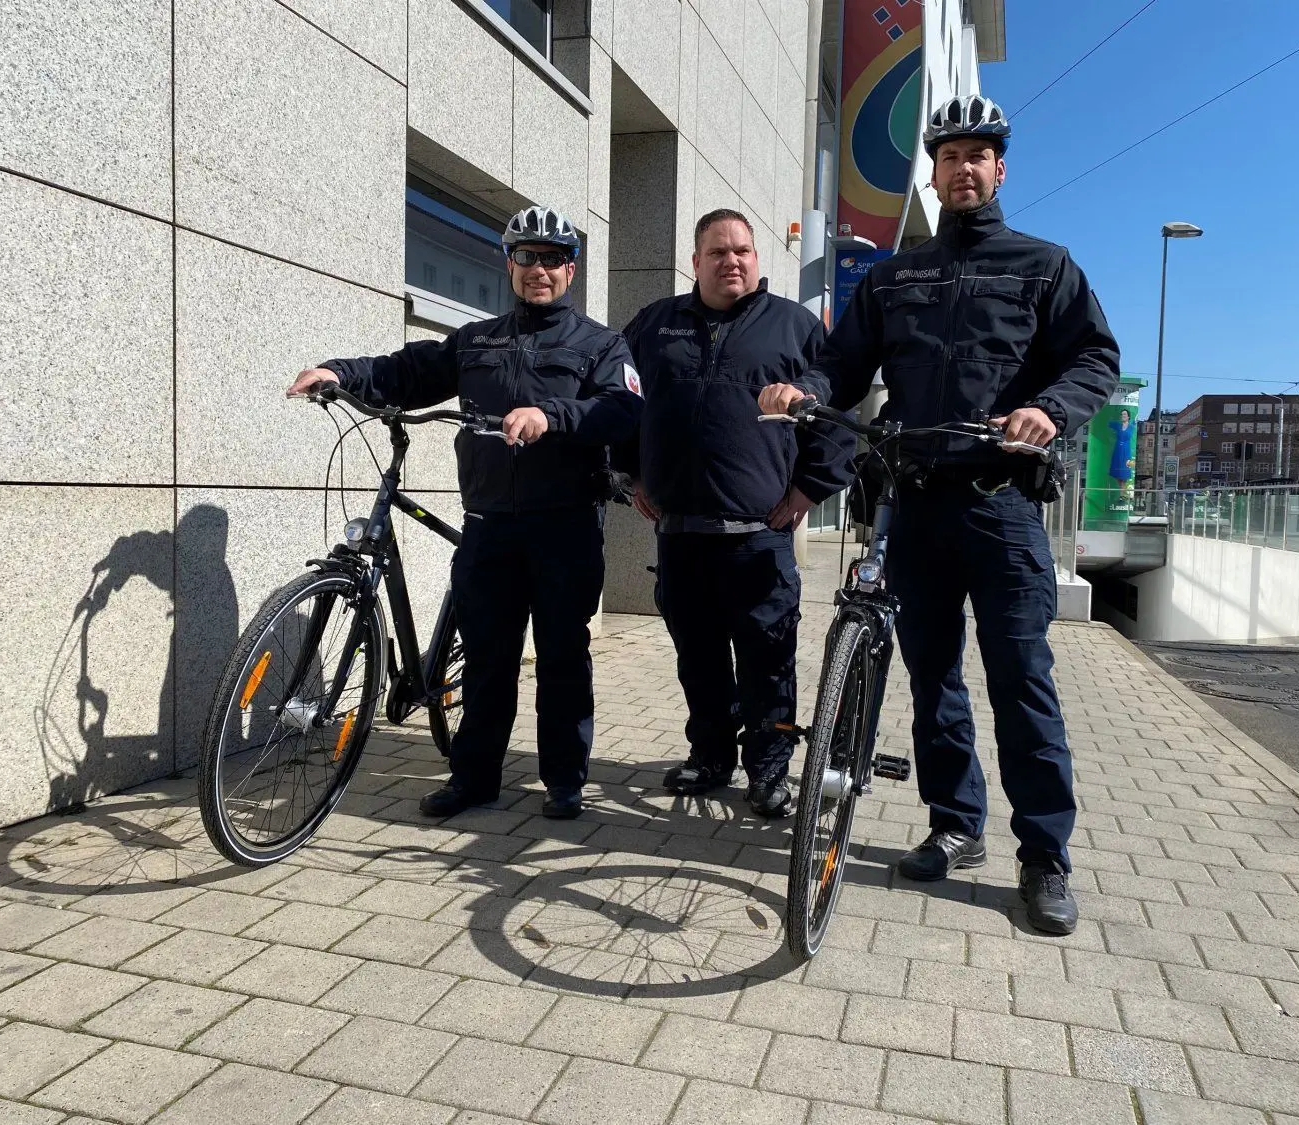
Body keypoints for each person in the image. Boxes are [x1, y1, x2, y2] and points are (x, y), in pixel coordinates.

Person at [759, 94, 1120, 934]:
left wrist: (1052, 411)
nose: (962, 168)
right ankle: (956, 824)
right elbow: (839, 366)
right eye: (948, 155)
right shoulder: (894, 276)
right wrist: (803, 393)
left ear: (1000, 169)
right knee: (931, 680)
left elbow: (1094, 357)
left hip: (1001, 507)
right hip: (914, 504)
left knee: (1022, 684)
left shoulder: (1045, 265)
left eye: (977, 155)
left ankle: (1045, 857)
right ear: (934, 171)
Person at [286, 205, 643, 821]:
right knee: (486, 659)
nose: (539, 270)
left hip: (565, 525)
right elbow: (408, 371)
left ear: (570, 270)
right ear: (509, 264)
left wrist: (551, 416)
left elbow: (623, 411)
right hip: (489, 527)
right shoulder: (477, 340)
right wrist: (336, 373)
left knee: (561, 655)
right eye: (526, 257)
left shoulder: (601, 345)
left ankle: (564, 780)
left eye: (552, 259)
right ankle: (474, 778)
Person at [619, 209, 849, 819]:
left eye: (742, 251)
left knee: (767, 660)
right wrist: (632, 472)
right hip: (681, 535)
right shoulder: (653, 326)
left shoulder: (794, 328)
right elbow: (621, 404)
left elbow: (835, 417)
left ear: (757, 257)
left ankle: (769, 773)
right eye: (718, 252)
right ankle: (712, 756)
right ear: (695, 261)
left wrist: (807, 492)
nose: (732, 261)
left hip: (758, 538)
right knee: (698, 659)